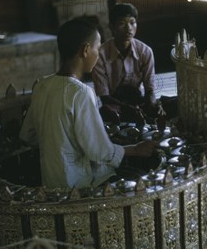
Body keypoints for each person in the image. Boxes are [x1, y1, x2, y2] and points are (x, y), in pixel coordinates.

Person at [19, 18, 157, 189]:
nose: (98, 55)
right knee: (137, 180)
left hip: (50, 183)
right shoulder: (81, 92)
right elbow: (98, 151)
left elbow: (28, 135)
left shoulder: (41, 85)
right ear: (85, 50)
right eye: (97, 49)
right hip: (79, 185)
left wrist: (58, 144)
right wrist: (136, 149)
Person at [92, 3, 164, 124]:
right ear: (111, 27)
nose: (128, 28)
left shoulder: (145, 51)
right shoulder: (101, 54)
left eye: (132, 22)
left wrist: (152, 104)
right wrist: (128, 109)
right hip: (113, 102)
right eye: (122, 23)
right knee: (107, 113)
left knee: (163, 106)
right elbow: (104, 96)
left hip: (137, 99)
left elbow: (150, 89)